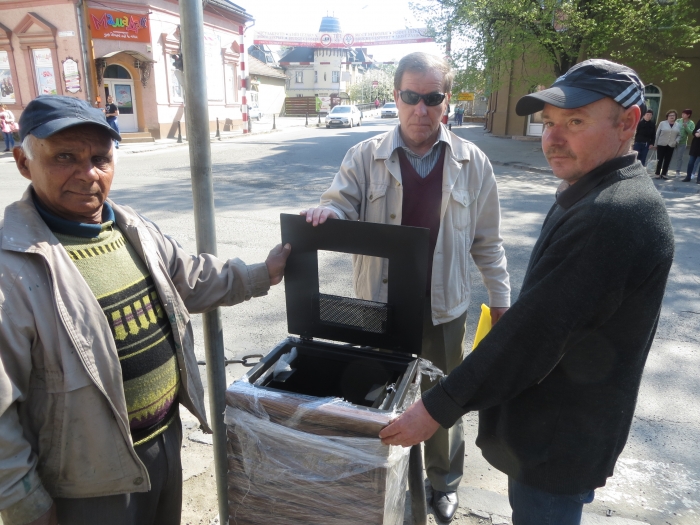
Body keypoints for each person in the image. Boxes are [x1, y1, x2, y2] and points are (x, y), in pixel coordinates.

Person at [379, 59, 674, 525]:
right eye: (549, 123)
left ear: (627, 123)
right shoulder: (596, 191)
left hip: (557, 445)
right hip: (555, 436)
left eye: (575, 122)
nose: (552, 139)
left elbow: (532, 335)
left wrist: (436, 407)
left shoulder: (613, 214)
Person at [0, 96, 291, 525]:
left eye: (100, 158)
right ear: (24, 161)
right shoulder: (12, 265)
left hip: (163, 445)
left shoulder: (131, 227)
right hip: (86, 485)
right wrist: (24, 502)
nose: (87, 173)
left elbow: (189, 277)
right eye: (65, 157)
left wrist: (262, 273)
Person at [301, 52, 511, 523]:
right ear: (395, 97)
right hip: (379, 304)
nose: (422, 109)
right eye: (412, 97)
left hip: (444, 308)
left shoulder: (472, 162)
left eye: (432, 98)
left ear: (446, 100)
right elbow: (339, 203)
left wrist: (501, 301)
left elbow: (488, 242)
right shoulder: (365, 155)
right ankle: (378, 475)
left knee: (443, 399)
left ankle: (443, 483)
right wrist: (328, 215)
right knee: (375, 395)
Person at [652, 109, 680, 179]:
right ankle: (657, 173)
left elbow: (679, 135)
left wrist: (676, 141)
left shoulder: (678, 125)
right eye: (670, 115)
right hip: (661, 144)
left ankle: (664, 173)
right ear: (667, 116)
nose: (672, 117)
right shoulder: (662, 123)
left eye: (673, 115)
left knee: (667, 160)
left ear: (675, 117)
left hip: (671, 145)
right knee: (660, 159)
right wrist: (655, 144)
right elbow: (657, 134)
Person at [673, 109, 694, 175]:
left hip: (682, 142)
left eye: (684, 114)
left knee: (679, 157)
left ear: (688, 115)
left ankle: (677, 171)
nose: (683, 115)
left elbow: (691, 133)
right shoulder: (678, 120)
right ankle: (665, 169)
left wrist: (686, 127)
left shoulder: (691, 123)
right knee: (669, 155)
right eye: (682, 114)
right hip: (674, 141)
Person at [683, 118, 700, 182]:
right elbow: (694, 131)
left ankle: (699, 179)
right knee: (691, 162)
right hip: (695, 145)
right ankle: (688, 177)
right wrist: (696, 134)